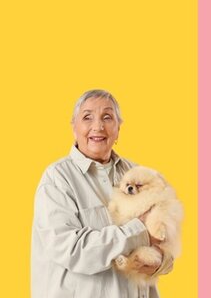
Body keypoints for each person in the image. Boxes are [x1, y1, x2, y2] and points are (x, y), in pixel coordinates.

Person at [31, 89, 174, 298]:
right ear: (74, 127)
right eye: (87, 117)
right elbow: (73, 250)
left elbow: (166, 240)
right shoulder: (57, 179)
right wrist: (139, 230)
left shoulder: (137, 174)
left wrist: (160, 260)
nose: (98, 126)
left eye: (107, 117)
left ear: (118, 128)